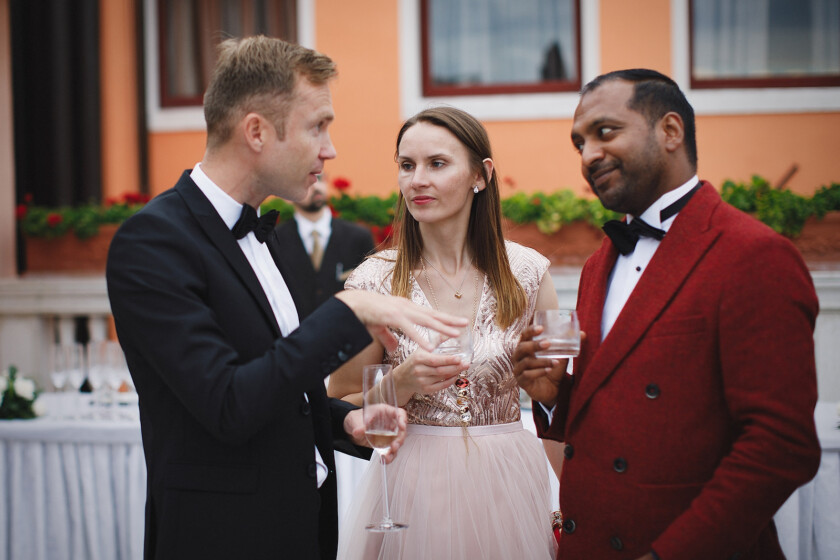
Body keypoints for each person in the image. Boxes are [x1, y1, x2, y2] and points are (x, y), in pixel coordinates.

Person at [106, 36, 466, 560]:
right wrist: (348, 311)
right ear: (256, 131)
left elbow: (277, 382)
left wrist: (342, 420)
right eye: (317, 126)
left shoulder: (262, 234)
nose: (330, 149)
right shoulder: (152, 242)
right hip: (223, 539)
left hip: (302, 529)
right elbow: (228, 404)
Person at [513, 68, 821, 560]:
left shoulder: (755, 254)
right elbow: (616, 418)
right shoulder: (597, 265)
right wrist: (553, 397)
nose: (589, 154)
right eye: (580, 143)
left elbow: (780, 446)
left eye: (605, 132)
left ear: (670, 131)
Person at [328, 106, 559, 559]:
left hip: (509, 482)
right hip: (414, 486)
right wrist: (401, 382)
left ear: (480, 175)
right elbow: (339, 406)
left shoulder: (529, 272)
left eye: (436, 164)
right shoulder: (373, 281)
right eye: (406, 165)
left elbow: (556, 399)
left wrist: (571, 498)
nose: (417, 180)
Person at [275, 173, 375, 319]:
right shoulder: (274, 241)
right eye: (305, 179)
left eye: (319, 178)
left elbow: (371, 295)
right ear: (287, 194)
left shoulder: (359, 237)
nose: (315, 185)